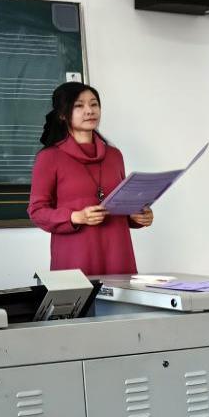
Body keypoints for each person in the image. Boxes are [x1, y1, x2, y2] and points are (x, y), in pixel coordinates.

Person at [27, 81, 153, 276]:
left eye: (94, 104)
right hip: (75, 259)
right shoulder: (49, 157)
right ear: (62, 114)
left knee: (123, 297)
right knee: (82, 296)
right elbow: (37, 211)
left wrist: (136, 216)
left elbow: (120, 205)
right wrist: (75, 217)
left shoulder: (114, 155)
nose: (89, 111)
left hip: (118, 257)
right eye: (79, 105)